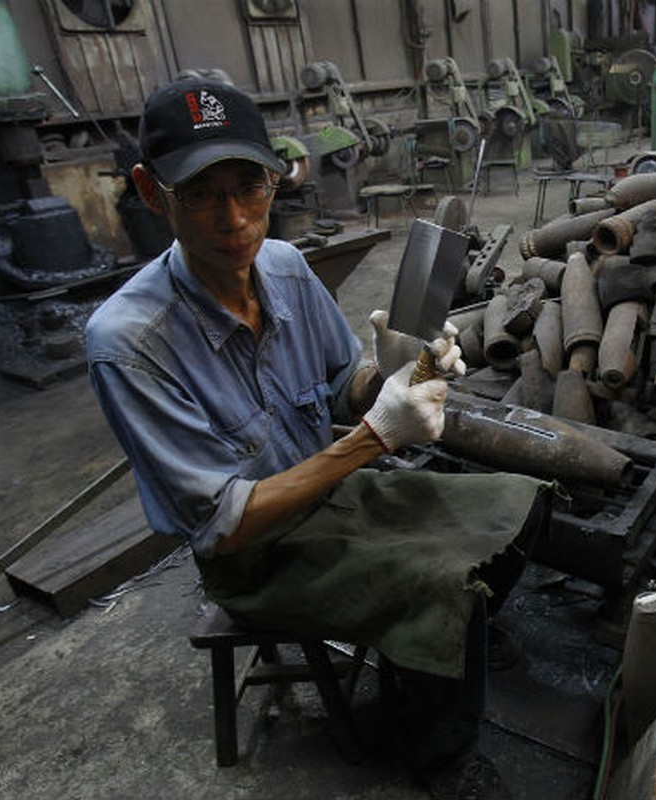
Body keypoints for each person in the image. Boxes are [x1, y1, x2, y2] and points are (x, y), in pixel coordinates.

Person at [85, 77, 549, 800]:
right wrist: (375, 436)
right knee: (441, 589)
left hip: (337, 489)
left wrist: (399, 371)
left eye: (250, 186)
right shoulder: (129, 344)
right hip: (260, 559)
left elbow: (340, 387)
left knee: (524, 500)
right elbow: (225, 526)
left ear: (278, 179)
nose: (235, 218)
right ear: (152, 193)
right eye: (202, 193)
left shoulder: (284, 266)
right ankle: (440, 757)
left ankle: (452, 647)